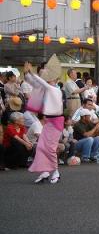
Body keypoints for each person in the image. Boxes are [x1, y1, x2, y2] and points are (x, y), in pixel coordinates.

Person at [24, 56, 64, 184]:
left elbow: (40, 82)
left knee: (51, 148)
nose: (44, 75)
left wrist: (31, 72)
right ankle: (45, 171)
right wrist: (27, 73)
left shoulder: (55, 90)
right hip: (49, 122)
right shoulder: (47, 88)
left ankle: (56, 172)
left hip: (56, 122)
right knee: (41, 146)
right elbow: (34, 82)